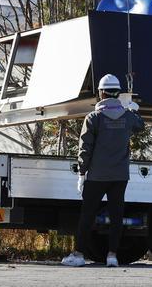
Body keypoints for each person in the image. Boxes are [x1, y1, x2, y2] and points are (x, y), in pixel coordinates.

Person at [62, 74, 145, 268]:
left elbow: (85, 148)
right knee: (117, 216)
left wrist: (82, 173)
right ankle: (112, 256)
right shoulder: (128, 116)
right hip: (119, 176)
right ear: (118, 93)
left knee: (87, 216)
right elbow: (140, 126)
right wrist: (134, 110)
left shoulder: (94, 118)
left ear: (101, 93)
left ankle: (79, 254)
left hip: (97, 176)